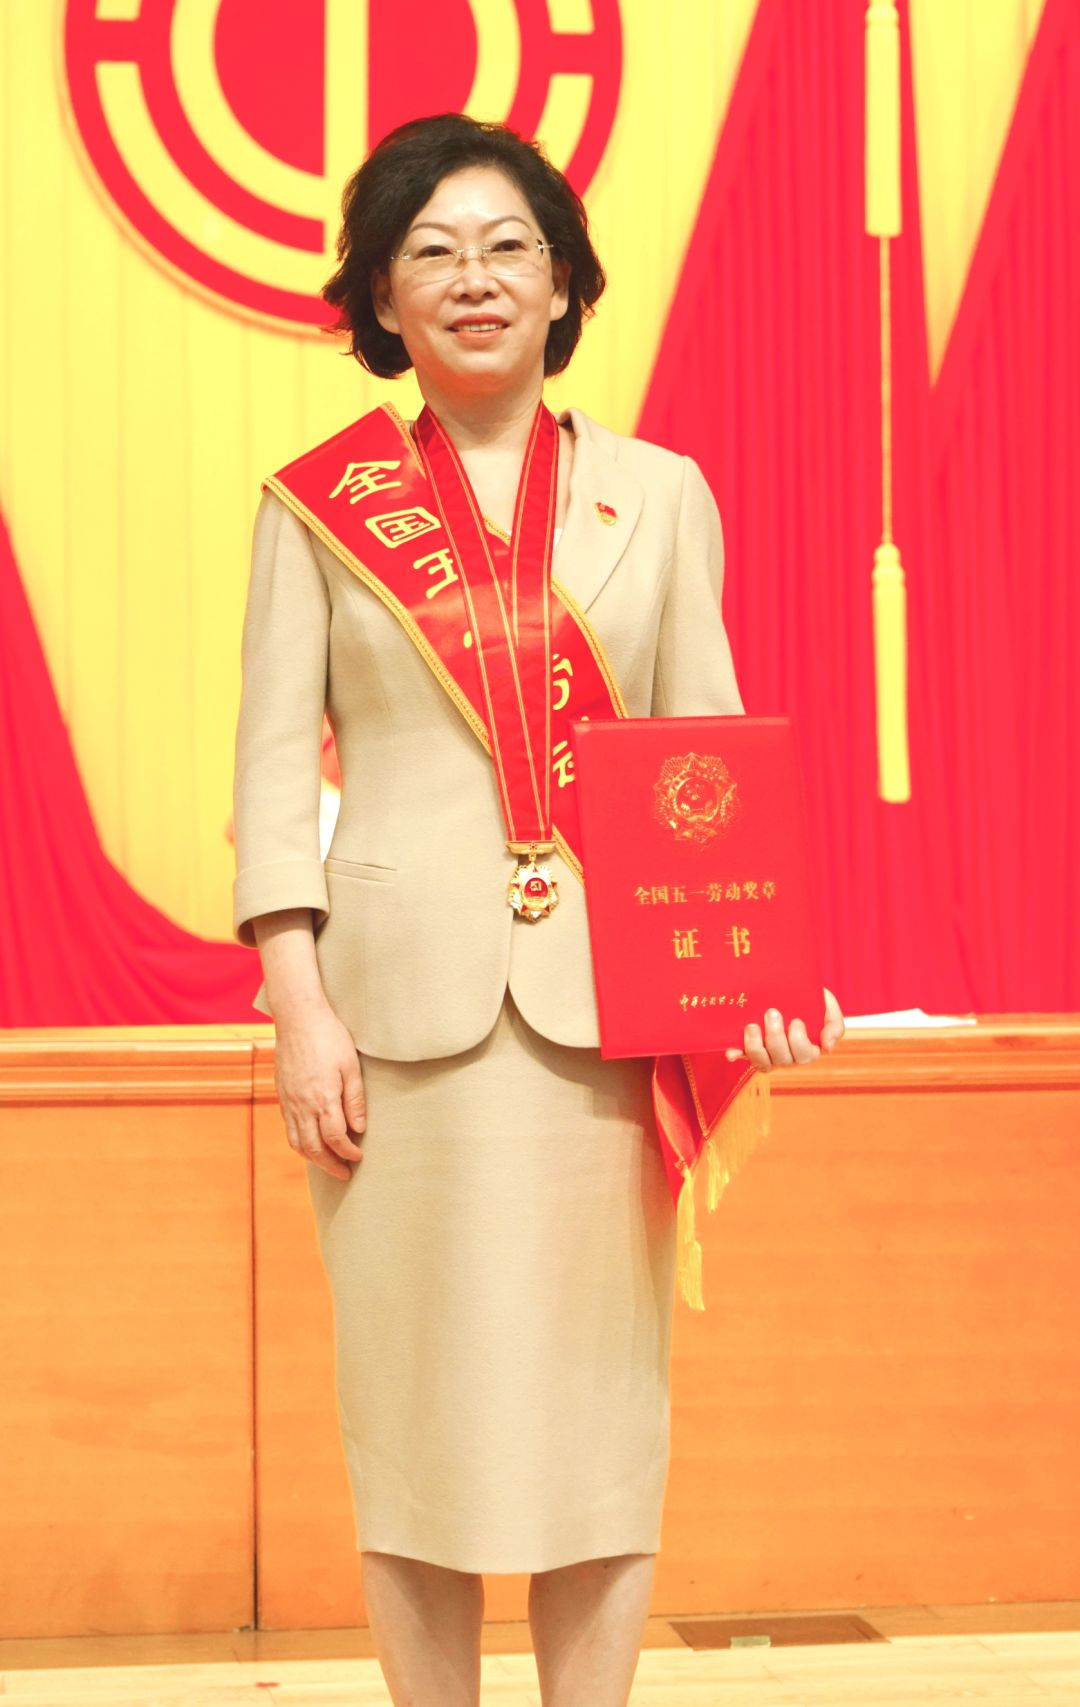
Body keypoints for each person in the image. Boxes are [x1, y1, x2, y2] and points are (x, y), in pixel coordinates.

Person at [231, 112, 845, 1707]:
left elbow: (704, 758)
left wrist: (760, 974)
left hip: (603, 1020)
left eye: (510, 246)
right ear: (381, 297)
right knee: (412, 1418)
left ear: (566, 283)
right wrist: (300, 1007)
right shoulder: (316, 506)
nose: (475, 277)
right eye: (430, 251)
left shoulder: (661, 494)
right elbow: (269, 778)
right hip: (393, 1028)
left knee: (598, 1422)